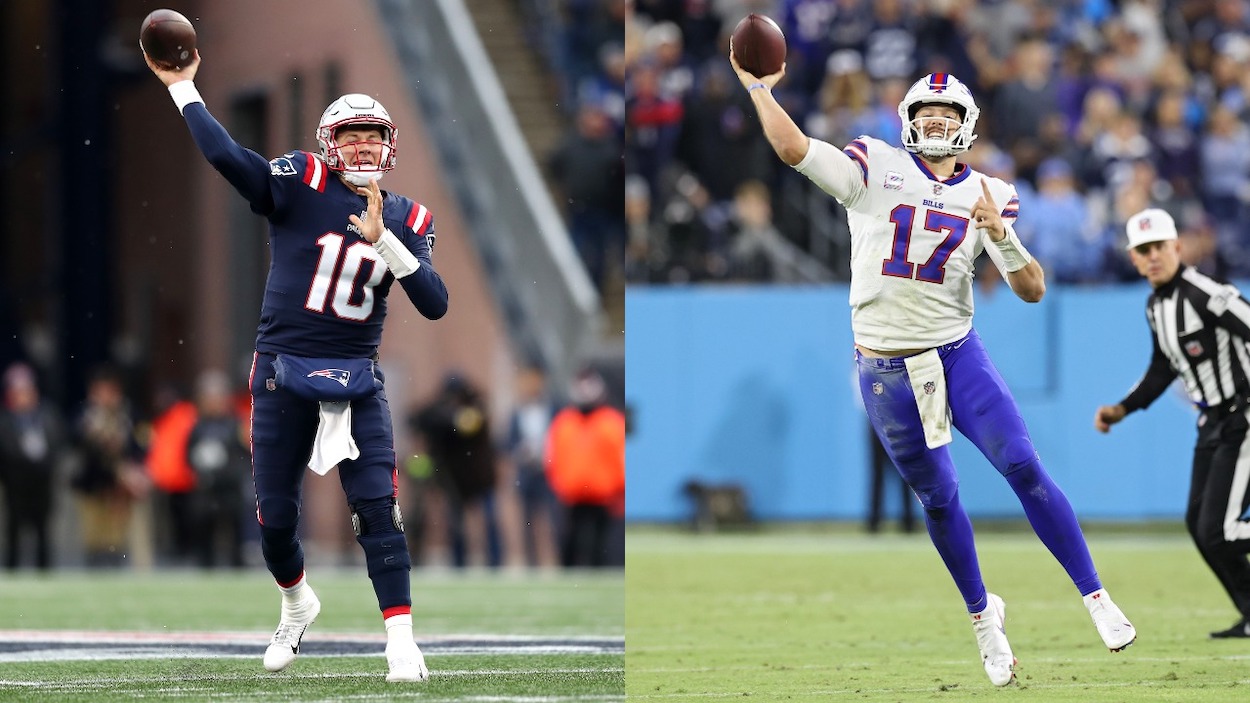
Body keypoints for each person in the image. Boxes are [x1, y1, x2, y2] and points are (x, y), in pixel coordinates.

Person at [730, 54, 1136, 686]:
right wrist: (758, 87)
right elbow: (791, 147)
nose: (938, 122)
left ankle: (1095, 596)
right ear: (908, 121)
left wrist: (1000, 235)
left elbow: (1032, 289)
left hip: (955, 353)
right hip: (887, 367)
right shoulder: (872, 165)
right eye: (927, 112)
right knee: (940, 498)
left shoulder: (993, 192)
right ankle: (983, 618)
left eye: (949, 114)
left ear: (968, 123)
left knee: (1023, 464)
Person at [145, 49, 447, 682]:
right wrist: (184, 90)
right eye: (351, 135)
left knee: (377, 510)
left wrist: (383, 239)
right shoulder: (302, 181)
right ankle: (296, 601)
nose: (363, 146)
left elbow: (436, 304)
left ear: (389, 145)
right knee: (276, 519)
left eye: (373, 135)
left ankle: (401, 641)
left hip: (356, 376)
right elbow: (230, 160)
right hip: (283, 368)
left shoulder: (409, 217)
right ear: (329, 143)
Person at [1095, 208, 1250, 639]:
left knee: (1220, 530)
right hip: (1212, 422)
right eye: (1143, 250)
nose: (1152, 256)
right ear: (1134, 259)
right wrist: (1122, 408)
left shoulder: (1206, 294)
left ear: (1177, 247)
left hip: (1244, 416)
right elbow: (1162, 367)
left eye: (1159, 247)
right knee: (1199, 525)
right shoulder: (1155, 306)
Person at [409, 374, 500, 568]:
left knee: (489, 520)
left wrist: (448, 416)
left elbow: (464, 424)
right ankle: (459, 562)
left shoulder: (476, 408)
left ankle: (495, 562)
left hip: (479, 476)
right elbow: (415, 419)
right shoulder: (436, 410)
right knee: (454, 523)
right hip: (453, 479)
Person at [544, 366, 626, 567]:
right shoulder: (564, 422)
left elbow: (621, 459)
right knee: (569, 544)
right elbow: (552, 458)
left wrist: (619, 490)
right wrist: (559, 486)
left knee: (602, 546)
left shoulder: (611, 422)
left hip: (604, 495)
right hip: (572, 495)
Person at [0, 363, 65, 569]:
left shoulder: (47, 414)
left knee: (42, 527)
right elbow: (6, 448)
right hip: (16, 481)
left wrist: (43, 461)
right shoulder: (5, 419)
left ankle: (44, 568)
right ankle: (12, 567)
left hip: (42, 479)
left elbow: (57, 442)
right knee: (15, 527)